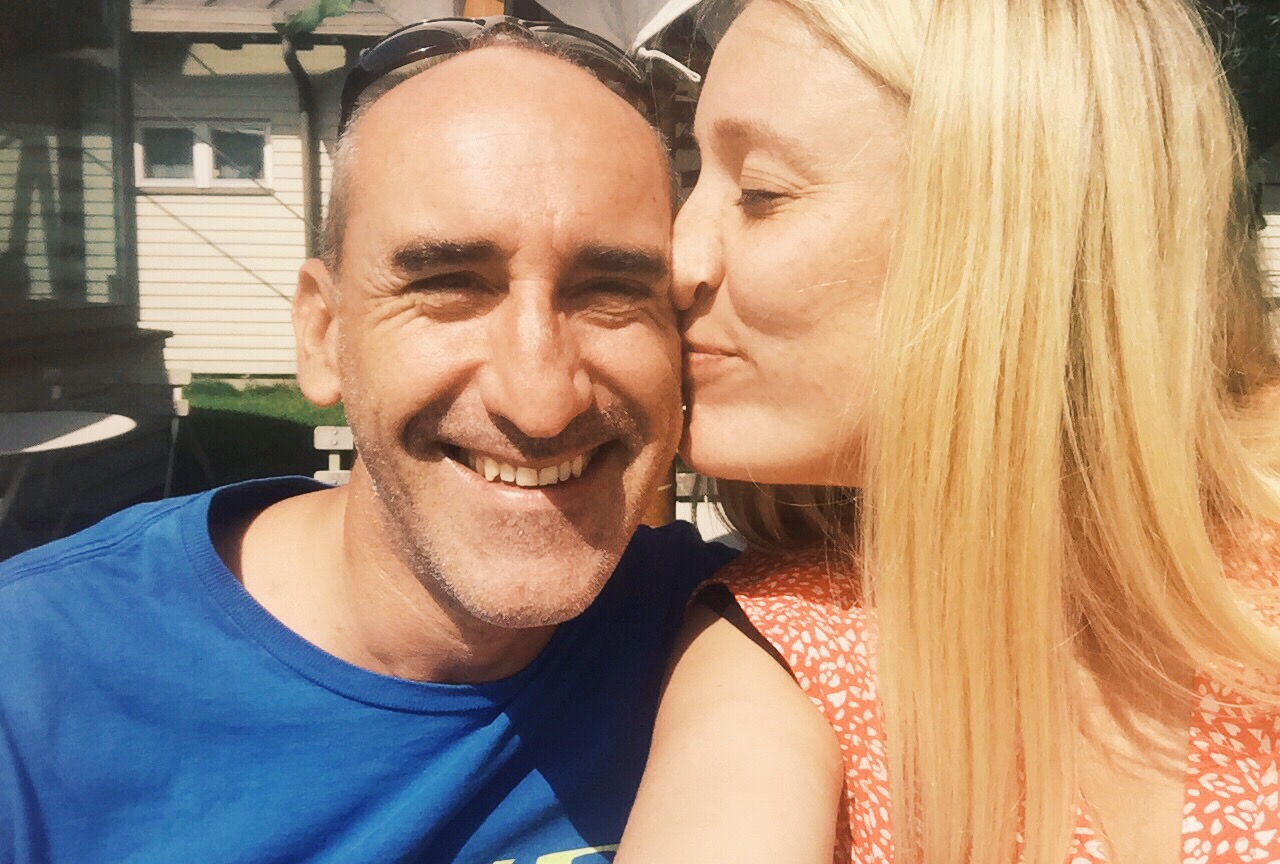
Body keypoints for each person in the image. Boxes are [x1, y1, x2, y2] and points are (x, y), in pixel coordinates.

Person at [0, 19, 734, 864]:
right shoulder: (33, 683)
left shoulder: (732, 638)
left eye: (611, 291)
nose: (539, 402)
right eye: (450, 285)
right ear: (323, 335)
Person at [616, 0, 1280, 862]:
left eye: (761, 195)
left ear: (1018, 227)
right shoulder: (786, 649)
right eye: (694, 181)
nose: (677, 260)